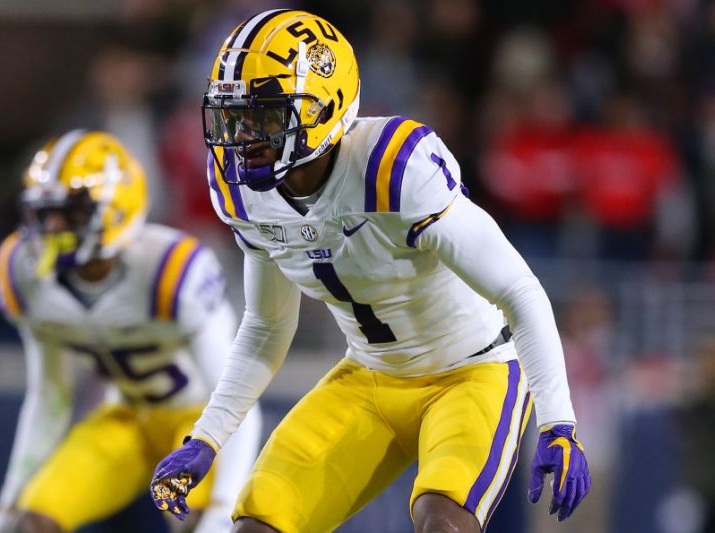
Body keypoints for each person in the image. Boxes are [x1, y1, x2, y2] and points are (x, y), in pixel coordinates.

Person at [151, 9, 590, 532]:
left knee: (442, 521)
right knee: (258, 522)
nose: (245, 135)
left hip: (474, 371)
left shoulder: (393, 168)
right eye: (237, 115)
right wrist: (207, 437)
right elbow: (266, 327)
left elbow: (519, 290)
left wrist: (558, 423)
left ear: (323, 107)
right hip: (369, 376)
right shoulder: (242, 190)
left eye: (264, 115)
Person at [0, 130, 262, 533]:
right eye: (46, 212)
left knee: (198, 522)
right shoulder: (24, 275)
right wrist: (6, 509)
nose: (54, 226)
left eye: (72, 212)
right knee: (32, 523)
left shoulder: (170, 270)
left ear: (117, 208)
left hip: (199, 423)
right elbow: (49, 397)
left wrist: (220, 509)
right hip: (125, 418)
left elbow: (238, 400)